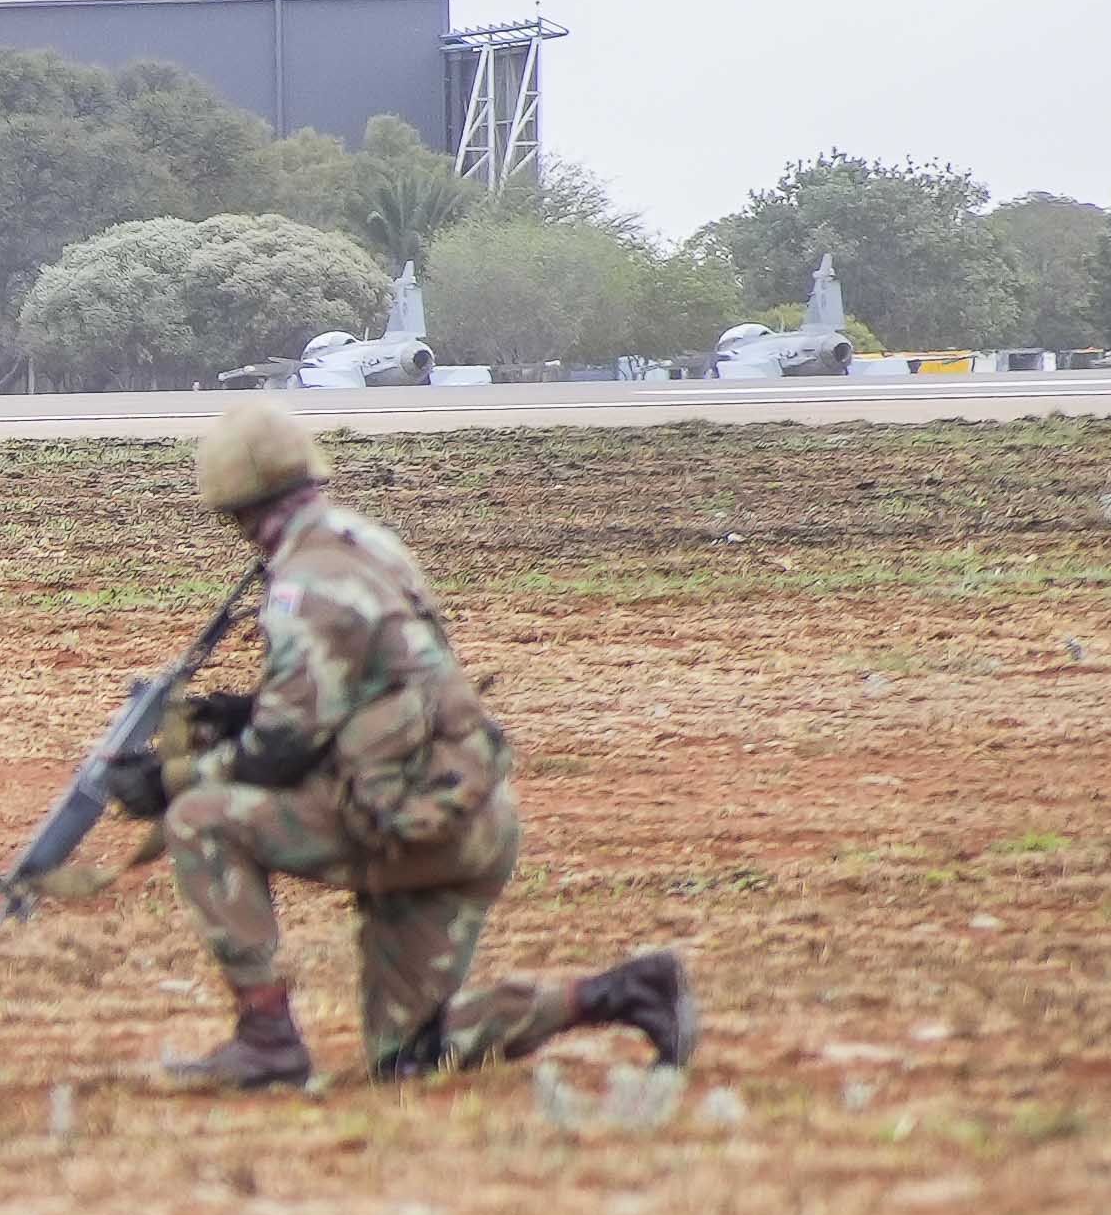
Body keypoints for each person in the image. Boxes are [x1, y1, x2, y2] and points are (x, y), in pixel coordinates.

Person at [137, 397, 694, 1091]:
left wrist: (172, 778)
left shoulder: (305, 581)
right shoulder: (364, 544)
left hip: (403, 823)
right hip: (467, 814)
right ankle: (621, 993)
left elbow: (282, 746)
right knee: (408, 1056)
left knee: (200, 819)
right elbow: (369, 679)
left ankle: (266, 1039)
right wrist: (247, 712)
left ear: (238, 507)